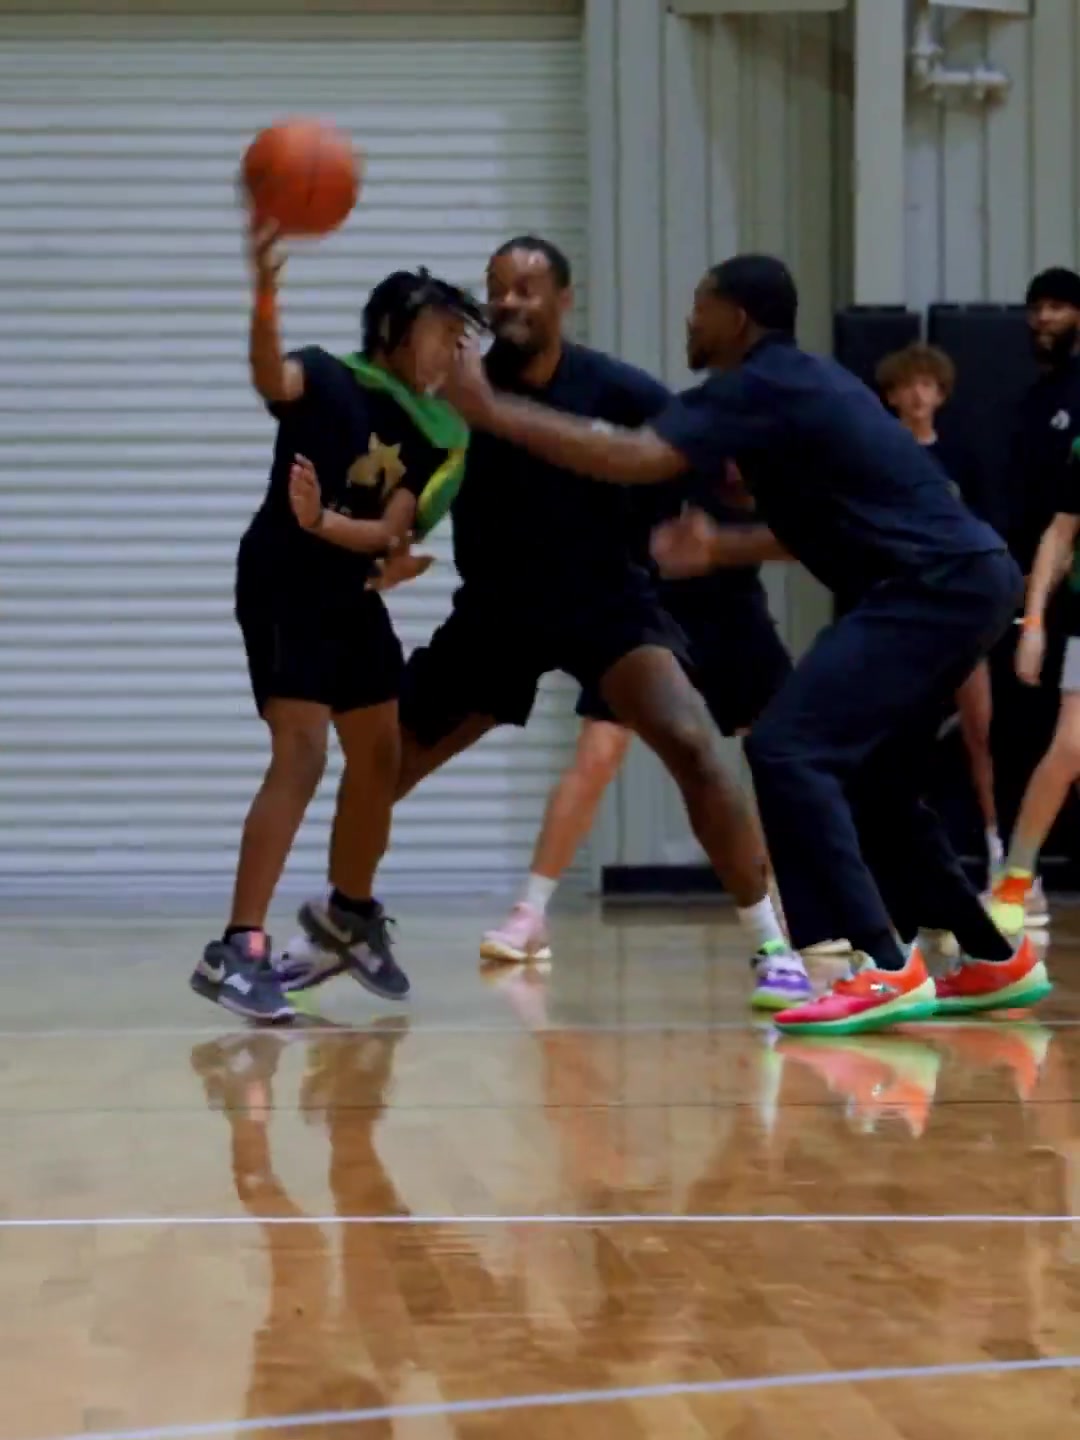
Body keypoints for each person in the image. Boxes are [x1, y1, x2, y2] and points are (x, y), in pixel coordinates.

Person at [442, 252, 1049, 1036]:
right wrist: (722, 547)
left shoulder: (758, 384)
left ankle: (884, 965)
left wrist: (490, 410)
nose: (689, 319)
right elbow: (821, 525)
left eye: (700, 304)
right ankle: (990, 956)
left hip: (932, 587)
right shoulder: (795, 387)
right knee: (874, 781)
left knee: (786, 746)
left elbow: (635, 455)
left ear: (735, 317)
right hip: (963, 580)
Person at [283, 235, 808, 1010]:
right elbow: (402, 487)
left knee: (693, 744)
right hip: (496, 612)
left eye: (527, 288)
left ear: (564, 299)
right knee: (382, 767)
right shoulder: (454, 392)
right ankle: (341, 923)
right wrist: (383, 549)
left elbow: (707, 463)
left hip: (606, 605)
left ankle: (772, 946)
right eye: (497, 287)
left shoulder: (620, 390)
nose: (509, 301)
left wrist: (741, 500)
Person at [190, 213, 484, 1023]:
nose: (456, 350)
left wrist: (345, 533)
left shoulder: (439, 433)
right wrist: (265, 293)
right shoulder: (324, 376)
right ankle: (238, 948)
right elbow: (269, 373)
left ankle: (349, 913)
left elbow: (390, 528)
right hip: (284, 582)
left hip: (349, 591)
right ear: (395, 330)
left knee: (380, 751)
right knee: (302, 752)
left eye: (464, 338)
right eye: (445, 332)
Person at [480, 460, 797, 969]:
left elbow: (805, 530)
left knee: (782, 759)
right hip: (653, 612)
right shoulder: (661, 455)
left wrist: (726, 539)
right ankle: (530, 912)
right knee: (597, 753)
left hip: (735, 614)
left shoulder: (775, 461)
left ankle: (791, 912)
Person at [875, 342, 1005, 886]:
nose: (917, 395)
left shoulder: (961, 458)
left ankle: (999, 847)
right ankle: (895, 855)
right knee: (899, 735)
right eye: (907, 386)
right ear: (891, 396)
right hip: (904, 609)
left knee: (981, 730)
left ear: (942, 394)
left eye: (926, 385)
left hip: (961, 608)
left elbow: (986, 529)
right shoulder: (879, 456)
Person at [993, 267, 1080, 926]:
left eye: (1058, 306)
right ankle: (1017, 881)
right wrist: (1034, 618)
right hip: (1049, 598)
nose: (1042, 318)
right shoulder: (1033, 407)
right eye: (1037, 306)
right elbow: (1059, 529)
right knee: (1059, 744)